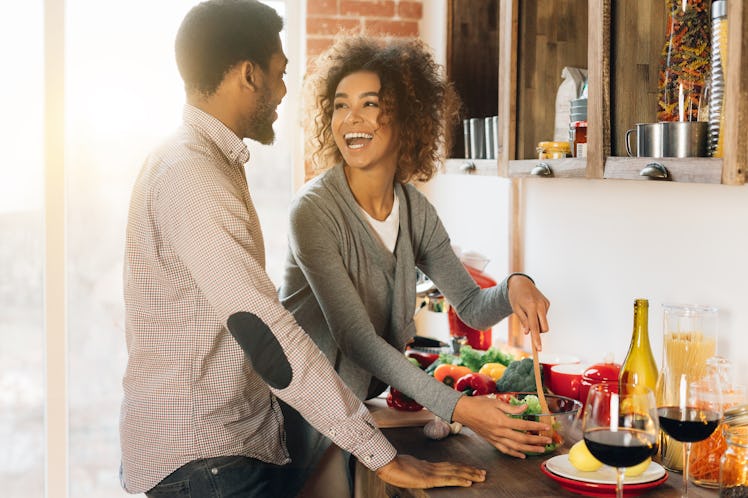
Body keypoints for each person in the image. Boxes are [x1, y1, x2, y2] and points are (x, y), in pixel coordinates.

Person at [119, 2, 487, 497]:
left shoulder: (198, 160)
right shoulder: (194, 175)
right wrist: (379, 454)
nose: (285, 90)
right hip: (206, 461)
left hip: (217, 454)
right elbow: (265, 334)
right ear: (248, 74)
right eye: (280, 72)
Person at [278, 34, 554, 492]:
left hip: (358, 414)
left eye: (370, 104)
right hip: (306, 417)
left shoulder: (414, 209)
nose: (352, 119)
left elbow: (469, 303)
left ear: (406, 117)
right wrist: (461, 409)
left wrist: (514, 286)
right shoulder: (313, 211)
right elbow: (358, 341)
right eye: (341, 105)